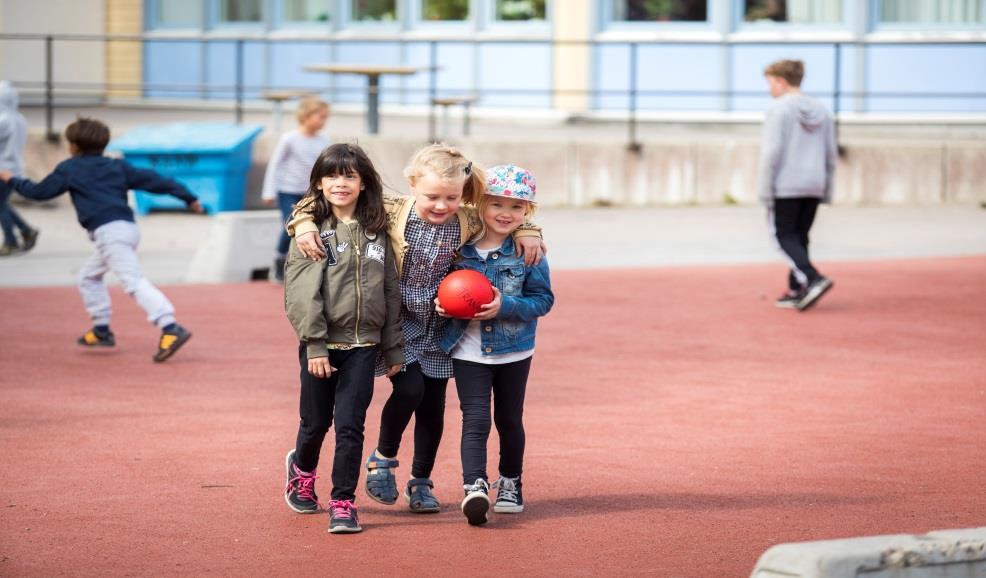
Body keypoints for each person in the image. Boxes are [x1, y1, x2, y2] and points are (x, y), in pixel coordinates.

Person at [287, 144, 545, 514]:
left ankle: (421, 482)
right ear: (411, 186)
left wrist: (530, 230)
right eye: (432, 197)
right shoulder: (389, 210)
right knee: (410, 390)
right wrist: (303, 224)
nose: (441, 205)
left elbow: (505, 216)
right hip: (398, 324)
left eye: (451, 197)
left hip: (440, 326)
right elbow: (321, 200)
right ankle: (382, 458)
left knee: (433, 407)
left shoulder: (467, 219)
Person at [0, 117, 201, 361]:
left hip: (110, 234)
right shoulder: (118, 166)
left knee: (132, 281)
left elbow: (39, 192)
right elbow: (157, 181)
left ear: (73, 145)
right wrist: (188, 197)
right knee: (88, 276)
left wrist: (11, 178)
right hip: (126, 228)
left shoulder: (70, 168)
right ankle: (101, 330)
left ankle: (170, 327)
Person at [282, 143, 403, 534]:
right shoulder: (311, 233)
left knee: (351, 425)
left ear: (363, 181)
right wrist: (315, 345)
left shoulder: (377, 230)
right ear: (318, 182)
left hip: (363, 348)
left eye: (350, 175)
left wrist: (392, 346)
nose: (341, 182)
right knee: (316, 424)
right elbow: (302, 295)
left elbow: (388, 290)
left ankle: (343, 502)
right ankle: (302, 469)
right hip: (321, 348)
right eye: (332, 175)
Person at [436, 164, 553, 526]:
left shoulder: (528, 252)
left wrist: (506, 305)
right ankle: (474, 486)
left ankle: (511, 482)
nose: (506, 213)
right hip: (468, 350)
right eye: (497, 204)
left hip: (515, 349)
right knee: (475, 419)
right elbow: (437, 288)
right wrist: (440, 306)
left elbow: (543, 301)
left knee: (508, 418)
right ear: (480, 204)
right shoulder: (457, 249)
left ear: (527, 212)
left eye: (517, 207)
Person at [759, 59, 837, 311]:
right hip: (814, 183)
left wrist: (765, 189)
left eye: (770, 83)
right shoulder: (823, 110)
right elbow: (830, 153)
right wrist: (827, 189)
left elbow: (772, 152)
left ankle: (812, 277)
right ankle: (797, 288)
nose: (769, 89)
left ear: (781, 82)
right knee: (800, 236)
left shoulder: (778, 109)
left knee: (782, 237)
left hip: (786, 183)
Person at [261, 97, 331, 283]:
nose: (323, 122)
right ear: (306, 116)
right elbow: (275, 165)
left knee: (314, 226)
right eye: (320, 117)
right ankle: (279, 259)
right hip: (288, 190)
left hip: (312, 192)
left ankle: (307, 263)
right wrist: (269, 191)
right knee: (290, 224)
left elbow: (327, 166)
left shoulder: (324, 139)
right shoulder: (290, 139)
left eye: (326, 118)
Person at [0, 81, 38, 256]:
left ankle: (11, 241)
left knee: (0, 205)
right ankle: (26, 230)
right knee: (2, 204)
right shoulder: (19, 119)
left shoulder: (3, 120)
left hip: (2, 168)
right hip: (15, 167)